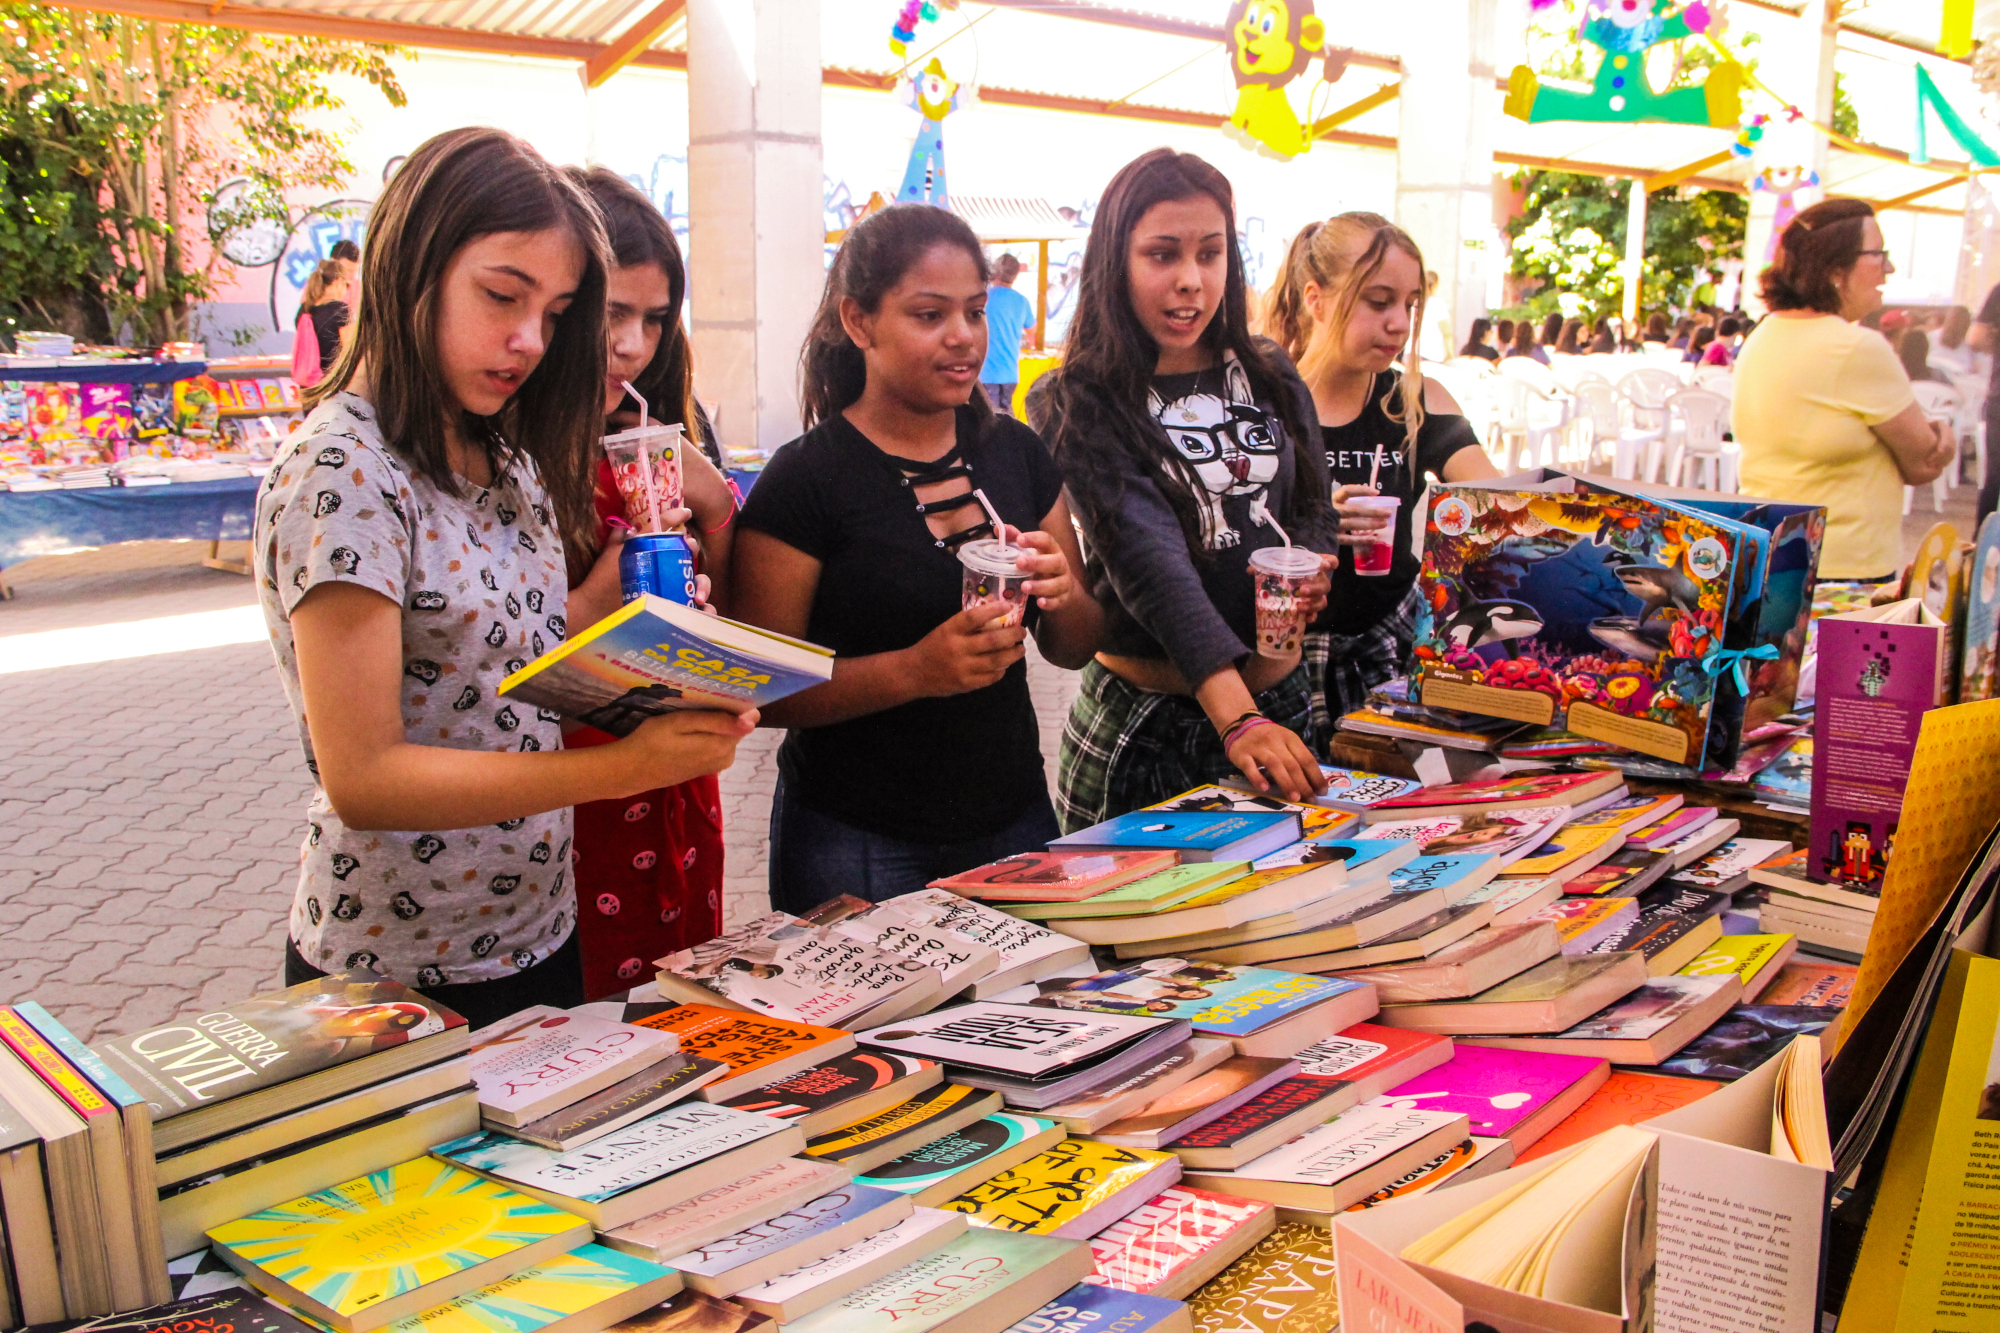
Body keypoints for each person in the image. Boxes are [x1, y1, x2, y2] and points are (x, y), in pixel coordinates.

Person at [253, 128, 754, 1026]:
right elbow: (365, 775)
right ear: (414, 265)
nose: (528, 340)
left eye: (557, 313)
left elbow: (500, 667)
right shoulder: (343, 467)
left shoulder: (498, 448)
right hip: (397, 968)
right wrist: (624, 768)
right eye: (501, 295)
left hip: (539, 932)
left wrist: (655, 649)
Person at [732, 205, 1100, 910]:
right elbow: (761, 689)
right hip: (854, 839)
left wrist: (1065, 592)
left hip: (1013, 822)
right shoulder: (807, 480)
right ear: (860, 321)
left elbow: (1075, 646)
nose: (963, 337)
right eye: (929, 315)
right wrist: (914, 671)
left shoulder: (1014, 453)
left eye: (974, 310)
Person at [1035, 149, 1336, 831]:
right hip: (1149, 729)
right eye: (1163, 255)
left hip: (1278, 708)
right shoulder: (1076, 398)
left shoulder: (1267, 368)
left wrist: (1316, 562)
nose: (1191, 281)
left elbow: (1314, 502)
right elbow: (1152, 569)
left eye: (1211, 253)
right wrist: (1238, 720)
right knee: (1126, 935)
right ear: (1116, 262)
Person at [558, 166, 744, 1000]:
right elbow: (490, 668)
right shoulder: (513, 462)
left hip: (674, 791)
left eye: (654, 319)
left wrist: (716, 504)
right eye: (610, 314)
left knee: (677, 1016)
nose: (632, 344)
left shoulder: (660, 439)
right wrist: (601, 596)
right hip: (565, 803)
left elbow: (732, 607)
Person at [1267, 213, 1500, 742]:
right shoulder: (1265, 404)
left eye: (1410, 304)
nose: (1398, 322)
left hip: (1387, 654)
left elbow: (1498, 496)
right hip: (1278, 659)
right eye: (1378, 301)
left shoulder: (1415, 401)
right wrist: (1316, 513)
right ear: (1315, 298)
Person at [1734, 198, 1955, 582]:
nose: (1890, 268)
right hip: (1846, 572)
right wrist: (1946, 436)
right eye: (1879, 255)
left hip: (1772, 559)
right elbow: (1923, 462)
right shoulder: (1856, 347)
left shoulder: (1764, 333)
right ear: (1835, 269)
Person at [980, 253, 1036, 418]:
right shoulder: (1021, 301)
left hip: (986, 372)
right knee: (1007, 417)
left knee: (989, 418)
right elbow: (1032, 329)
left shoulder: (983, 298)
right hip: (1011, 372)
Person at [293, 257, 356, 383]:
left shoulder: (304, 311)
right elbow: (350, 350)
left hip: (309, 387)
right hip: (331, 384)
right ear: (338, 282)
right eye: (346, 285)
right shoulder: (340, 310)